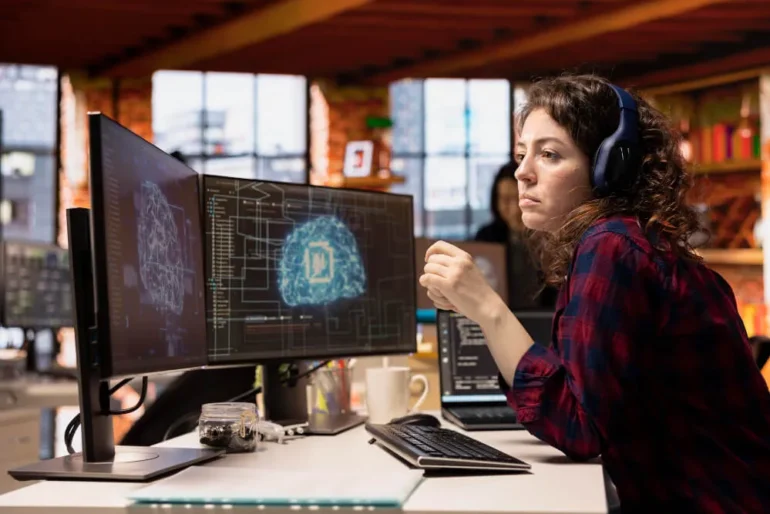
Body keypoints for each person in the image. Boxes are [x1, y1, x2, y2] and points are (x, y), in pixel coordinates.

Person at [419, 74, 770, 512]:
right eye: (521, 153)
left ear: (610, 166)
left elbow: (578, 426)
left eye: (549, 154)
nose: (523, 172)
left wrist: (487, 308)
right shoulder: (627, 240)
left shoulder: (611, 246)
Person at [475, 162, 556, 310]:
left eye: (519, 199)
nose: (514, 209)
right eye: (505, 200)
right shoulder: (487, 237)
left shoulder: (551, 234)